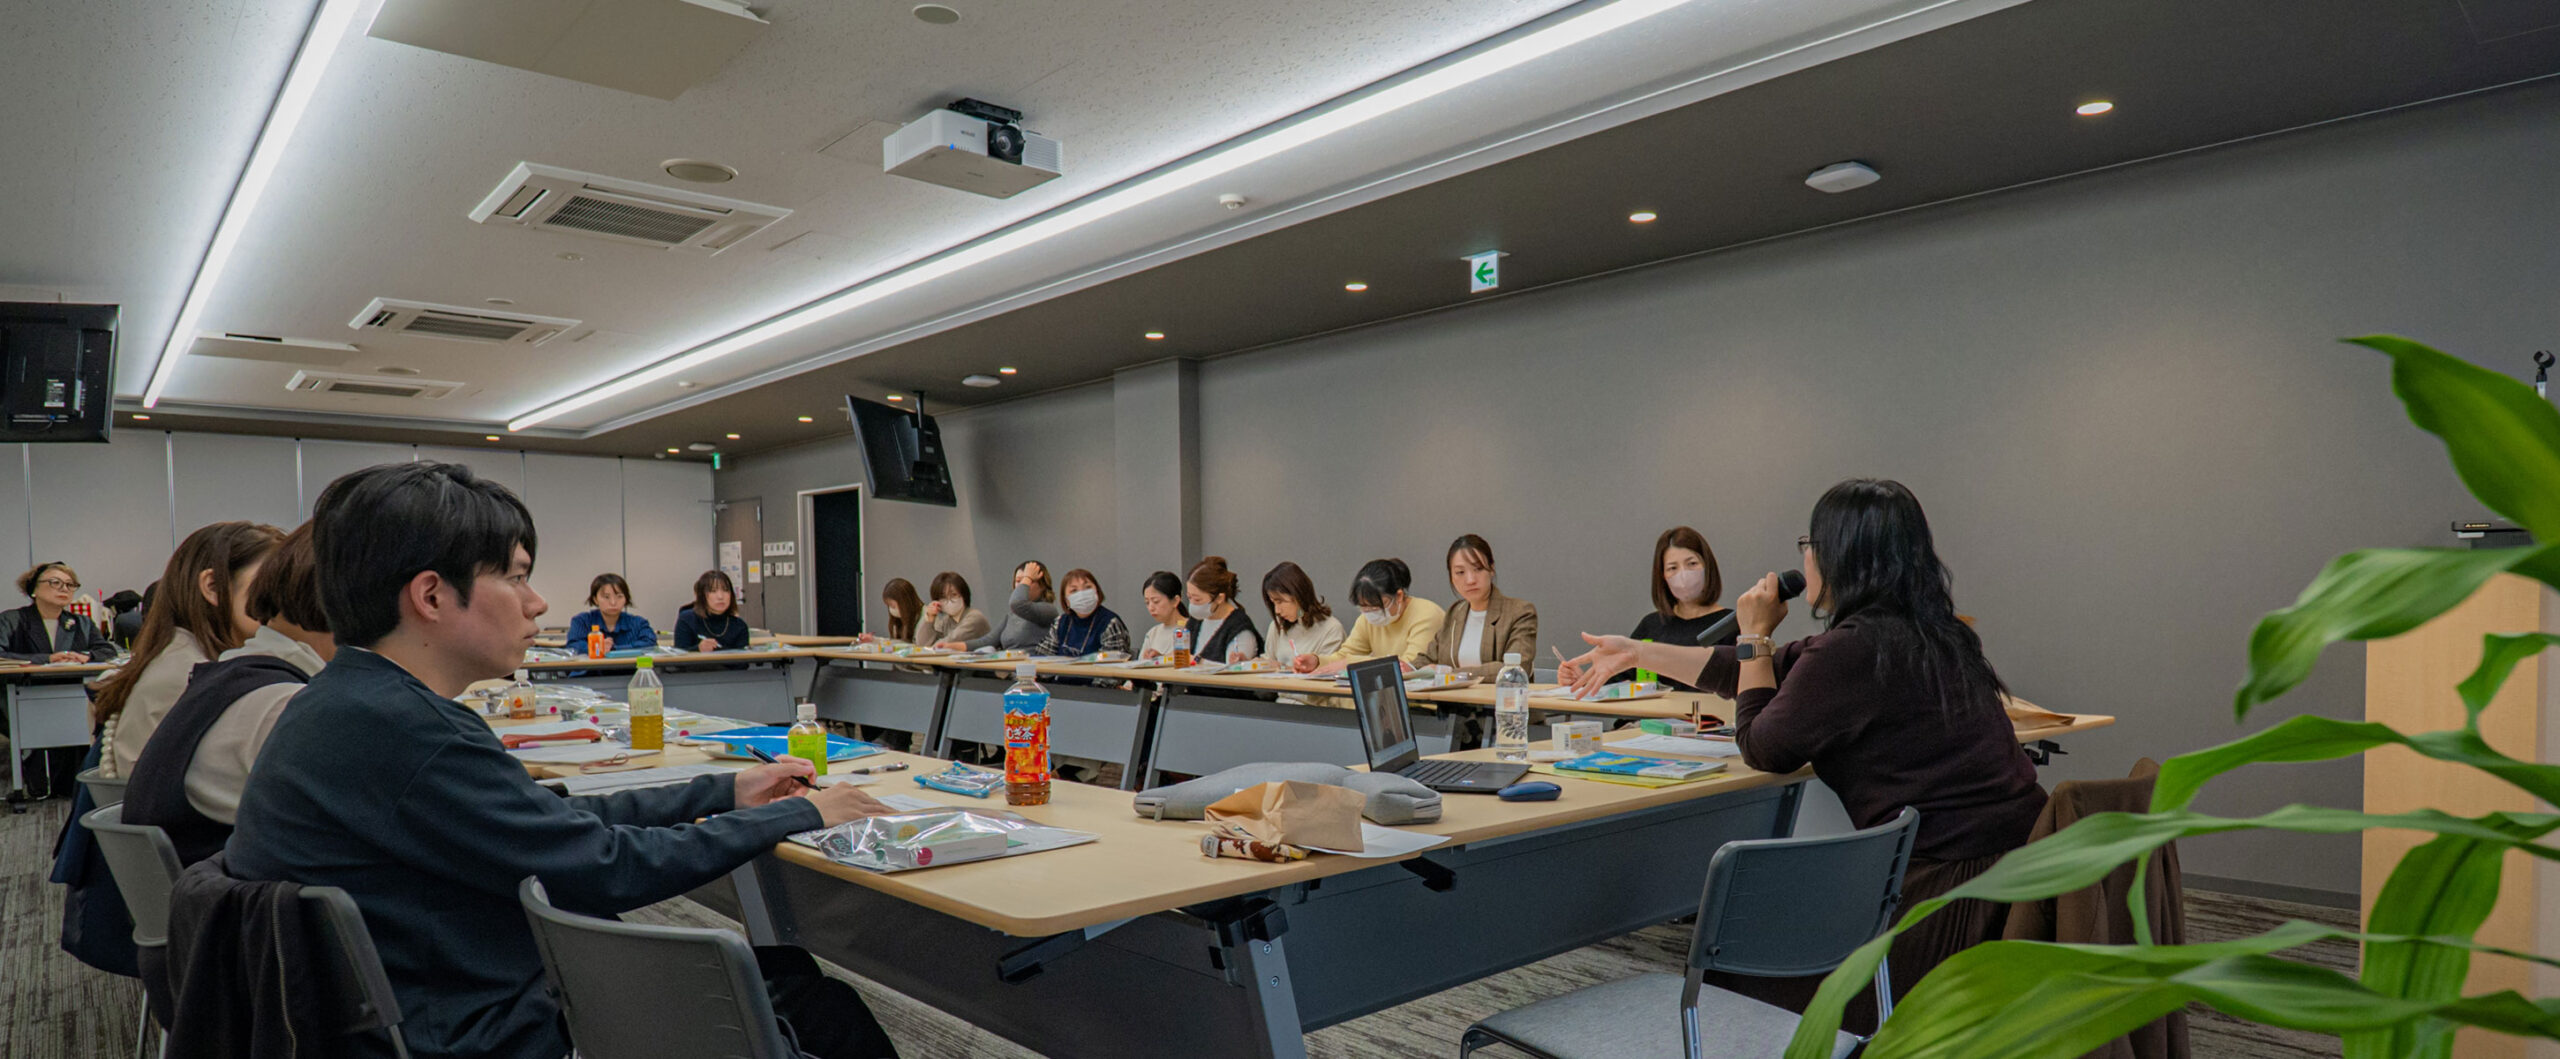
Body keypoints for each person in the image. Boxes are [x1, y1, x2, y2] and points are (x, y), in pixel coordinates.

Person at [227, 461, 900, 1059]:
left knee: (793, 980)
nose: (538, 601)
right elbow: (609, 868)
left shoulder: (345, 705)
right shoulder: (413, 734)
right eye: (516, 577)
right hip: (481, 1027)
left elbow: (555, 820)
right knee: (819, 1006)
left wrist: (725, 792)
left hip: (425, 1005)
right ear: (431, 596)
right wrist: (803, 812)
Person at [1557, 478, 2046, 1032]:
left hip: (1945, 899)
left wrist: (1754, 636)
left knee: (1737, 957)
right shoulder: (1934, 634)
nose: (1804, 558)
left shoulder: (1852, 650)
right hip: (2014, 870)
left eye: (1809, 544)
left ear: (1840, 555)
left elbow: (1763, 746)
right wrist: (1637, 652)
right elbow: (1745, 670)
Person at [125, 523, 333, 865]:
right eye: (271, 577)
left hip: (188, 877)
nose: (278, 587)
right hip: (210, 879)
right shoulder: (261, 694)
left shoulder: (216, 670)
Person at [98, 522, 286, 777]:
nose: (286, 600)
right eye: (271, 584)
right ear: (213, 586)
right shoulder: (189, 675)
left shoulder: (184, 659)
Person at [1614, 526, 1733, 690]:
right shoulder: (1651, 625)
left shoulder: (1729, 625)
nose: (1683, 574)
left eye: (1692, 564)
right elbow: (1615, 679)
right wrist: (1582, 680)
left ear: (1708, 567)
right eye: (1672, 568)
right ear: (1662, 576)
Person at [1295, 559, 1446, 675]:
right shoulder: (1366, 619)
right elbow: (1345, 656)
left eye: (1376, 606)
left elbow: (1408, 666)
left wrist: (1350, 663)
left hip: (1420, 700)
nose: (1370, 612)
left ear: (1399, 596)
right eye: (1363, 606)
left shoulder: (1426, 614)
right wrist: (1317, 661)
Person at [1418, 534, 1538, 678]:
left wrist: (1449, 673)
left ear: (1491, 569)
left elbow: (1515, 669)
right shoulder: (1455, 612)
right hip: (1454, 694)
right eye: (1460, 572)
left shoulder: (1519, 612)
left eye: (1478, 569)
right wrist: (1407, 668)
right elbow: (1428, 659)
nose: (1470, 580)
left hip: (1499, 693)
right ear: (1451, 576)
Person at [1261, 562, 1343, 706]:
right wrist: (1252, 663)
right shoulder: (1277, 626)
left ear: (1298, 595)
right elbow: (1269, 662)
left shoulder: (1331, 628)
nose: (1277, 610)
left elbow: (1327, 680)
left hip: (1314, 710)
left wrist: (1283, 669)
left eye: (1280, 601)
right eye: (1273, 603)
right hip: (1280, 705)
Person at [1, 562, 115, 662]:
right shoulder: (10, 620)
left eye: (70, 585)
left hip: (72, 680)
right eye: (55, 582)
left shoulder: (82, 622)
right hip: (25, 680)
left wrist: (86, 656)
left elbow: (108, 651)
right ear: (34, 589)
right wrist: (47, 659)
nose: (64, 589)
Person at [966, 559, 1059, 651]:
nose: (1021, 586)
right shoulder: (1012, 615)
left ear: (1042, 585)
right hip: (1011, 659)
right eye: (1018, 581)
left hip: (1032, 659)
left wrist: (1027, 577)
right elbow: (987, 641)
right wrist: (956, 646)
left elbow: (1017, 603)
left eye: (1029, 581)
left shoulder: (1048, 610)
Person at [1181, 556, 1260, 663]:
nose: (1192, 604)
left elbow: (1233, 668)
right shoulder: (1195, 621)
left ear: (1219, 598)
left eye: (1197, 599)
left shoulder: (1239, 627)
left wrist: (1198, 661)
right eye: (1189, 597)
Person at [1036, 568, 1130, 657]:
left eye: (1088, 587)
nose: (1082, 594)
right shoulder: (1060, 622)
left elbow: (1112, 662)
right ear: (1066, 600)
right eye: (1074, 590)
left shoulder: (1109, 623)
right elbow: (1042, 657)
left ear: (1097, 592)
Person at [565, 573, 655, 651]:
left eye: (619, 596)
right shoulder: (582, 621)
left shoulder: (638, 623)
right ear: (595, 599)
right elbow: (573, 645)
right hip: (593, 666)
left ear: (626, 599)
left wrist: (614, 649)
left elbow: (650, 643)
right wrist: (597, 647)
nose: (613, 602)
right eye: (606, 597)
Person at [673, 569, 751, 652]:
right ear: (702, 595)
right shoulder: (687, 619)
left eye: (725, 590)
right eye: (713, 591)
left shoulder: (739, 625)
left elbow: (742, 659)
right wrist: (698, 649)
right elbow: (679, 655)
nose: (720, 596)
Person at [920, 571, 991, 649]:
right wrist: (929, 619)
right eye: (943, 597)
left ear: (964, 595)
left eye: (953, 595)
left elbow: (947, 642)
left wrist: (929, 648)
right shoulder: (946, 621)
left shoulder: (975, 617)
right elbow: (922, 644)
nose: (949, 600)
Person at [1134, 571, 1188, 660]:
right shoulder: (1152, 633)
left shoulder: (1190, 629)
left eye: (1156, 601)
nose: (1151, 608)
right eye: (1147, 602)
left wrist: (1161, 659)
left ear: (1175, 601)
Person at [859, 578, 927, 644]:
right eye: (889, 606)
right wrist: (874, 640)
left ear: (905, 603)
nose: (891, 610)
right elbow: (898, 643)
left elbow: (917, 645)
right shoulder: (898, 620)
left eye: (893, 606)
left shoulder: (925, 616)